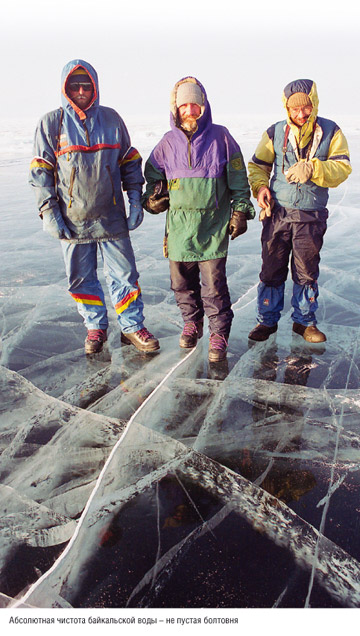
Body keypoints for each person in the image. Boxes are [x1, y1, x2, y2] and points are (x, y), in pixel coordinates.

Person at [29, 59, 159, 355]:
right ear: (65, 89)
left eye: (86, 85)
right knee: (81, 278)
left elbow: (129, 161)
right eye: (74, 85)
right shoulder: (52, 123)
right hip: (72, 221)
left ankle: (131, 326)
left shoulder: (112, 119)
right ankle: (95, 327)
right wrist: (49, 212)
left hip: (112, 217)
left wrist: (135, 198)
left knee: (126, 276)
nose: (81, 91)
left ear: (95, 87)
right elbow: (40, 172)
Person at [142, 77, 255, 362]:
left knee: (214, 286)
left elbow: (240, 181)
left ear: (203, 106)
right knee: (181, 284)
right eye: (183, 105)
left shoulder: (222, 137)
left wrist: (240, 211)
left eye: (194, 104)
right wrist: (153, 198)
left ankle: (218, 333)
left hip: (212, 227)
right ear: (176, 109)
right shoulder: (167, 144)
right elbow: (153, 177)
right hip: (179, 228)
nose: (189, 110)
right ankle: (192, 323)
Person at [247, 79, 351, 343]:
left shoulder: (331, 131)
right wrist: (260, 189)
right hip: (278, 213)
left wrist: (314, 169)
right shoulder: (275, 132)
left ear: (313, 104)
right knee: (271, 269)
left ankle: (304, 322)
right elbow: (258, 166)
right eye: (295, 109)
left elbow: (342, 168)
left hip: (310, 214)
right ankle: (267, 321)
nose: (301, 114)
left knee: (306, 271)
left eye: (305, 108)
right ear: (287, 109)